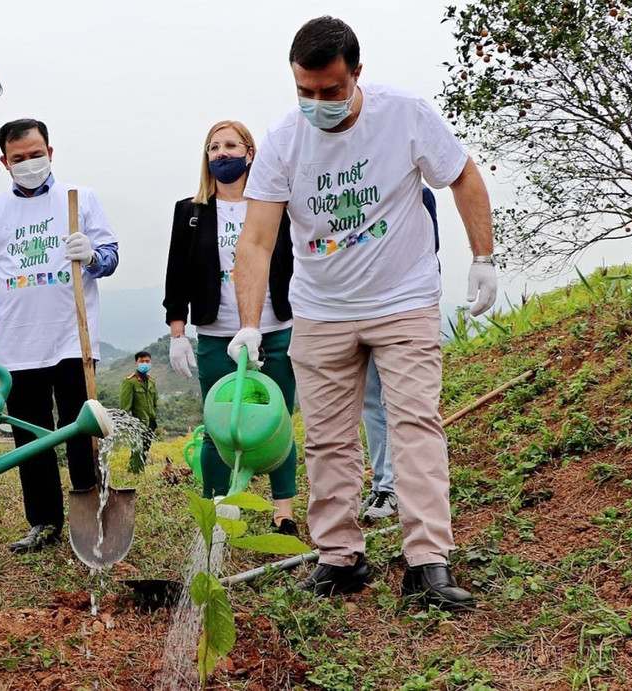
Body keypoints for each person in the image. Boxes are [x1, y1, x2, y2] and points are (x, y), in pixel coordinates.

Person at [228, 17, 497, 607]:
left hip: (403, 299)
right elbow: (255, 239)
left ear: (356, 74)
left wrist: (484, 256)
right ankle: (339, 556)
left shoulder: (404, 115)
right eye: (305, 91)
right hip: (320, 310)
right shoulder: (281, 141)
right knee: (326, 438)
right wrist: (249, 323)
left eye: (329, 90)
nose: (317, 103)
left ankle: (428, 562)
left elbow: (463, 176)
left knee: (415, 427)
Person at [0, 118, 118, 554]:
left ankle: (94, 516)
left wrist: (92, 255)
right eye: (18, 158)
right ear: (4, 161)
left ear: (51, 151)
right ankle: (44, 523)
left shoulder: (80, 200)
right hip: (18, 343)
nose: (29, 163)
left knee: (81, 430)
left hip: (73, 338)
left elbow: (110, 256)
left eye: (36, 154)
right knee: (32, 437)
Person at [164, 120, 299, 536]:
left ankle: (284, 512)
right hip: (217, 330)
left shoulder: (274, 204)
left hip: (276, 326)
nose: (222, 153)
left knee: (277, 421)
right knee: (217, 425)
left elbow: (295, 262)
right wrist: (177, 330)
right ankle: (219, 510)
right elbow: (177, 274)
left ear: (250, 152)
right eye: (213, 147)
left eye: (230, 145)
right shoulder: (190, 211)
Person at [361, 186, 439, 521]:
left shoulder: (419, 194)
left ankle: (395, 487)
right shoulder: (359, 195)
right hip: (355, 309)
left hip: (402, 309)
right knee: (370, 400)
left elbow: (429, 251)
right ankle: (383, 484)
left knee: (401, 401)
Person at [119, 350, 158, 473]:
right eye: (142, 361)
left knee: (145, 449)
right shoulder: (130, 382)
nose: (145, 363)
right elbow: (125, 407)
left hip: (150, 422)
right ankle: (136, 474)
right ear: (136, 363)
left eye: (147, 361)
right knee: (137, 450)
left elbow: (154, 403)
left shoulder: (152, 382)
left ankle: (134, 472)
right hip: (136, 423)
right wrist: (128, 424)